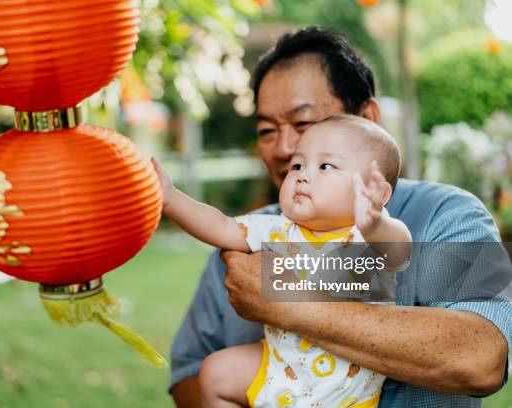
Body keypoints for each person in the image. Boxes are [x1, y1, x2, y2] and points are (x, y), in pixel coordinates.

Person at [169, 27, 511, 408]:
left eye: (304, 125)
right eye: (267, 130)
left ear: (367, 117)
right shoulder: (250, 237)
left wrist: (284, 297)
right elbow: (188, 375)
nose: (286, 149)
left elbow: (482, 360)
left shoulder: (446, 215)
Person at [157, 115, 412, 407]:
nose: (303, 175)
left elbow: (400, 251)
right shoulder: (277, 229)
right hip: (280, 368)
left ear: (377, 193)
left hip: (346, 395)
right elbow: (221, 227)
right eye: (297, 165)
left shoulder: (369, 237)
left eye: (325, 166)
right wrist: (171, 199)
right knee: (216, 372)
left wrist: (375, 222)